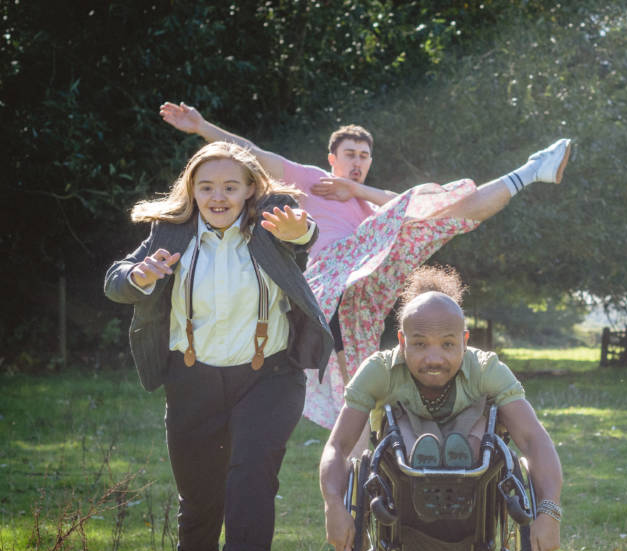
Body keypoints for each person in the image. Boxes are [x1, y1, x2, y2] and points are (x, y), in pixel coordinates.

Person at [158, 101, 572, 437]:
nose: (356, 162)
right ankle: (356, 459)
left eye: (363, 156)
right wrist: (202, 127)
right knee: (352, 378)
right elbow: (252, 153)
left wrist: (355, 190)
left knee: (449, 212)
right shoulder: (313, 180)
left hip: (365, 293)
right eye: (349, 156)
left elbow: (411, 205)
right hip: (331, 280)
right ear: (331, 158)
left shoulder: (377, 204)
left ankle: (530, 172)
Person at [104, 142, 334, 551]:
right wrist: (141, 276)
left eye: (231, 186)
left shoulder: (270, 221)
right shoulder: (170, 233)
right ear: (191, 190)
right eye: (206, 186)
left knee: (252, 469)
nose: (218, 196)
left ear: (250, 189)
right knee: (199, 491)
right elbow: (115, 281)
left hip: (269, 376)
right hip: (192, 380)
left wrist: (302, 228)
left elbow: (303, 234)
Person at [319, 266, 564, 551]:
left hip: (477, 483)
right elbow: (338, 446)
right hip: (401, 482)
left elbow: (532, 438)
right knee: (398, 417)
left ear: (464, 339)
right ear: (402, 339)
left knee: (486, 413)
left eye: (447, 344)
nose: (434, 359)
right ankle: (423, 449)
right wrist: (334, 506)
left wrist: (549, 511)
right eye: (420, 344)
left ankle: (462, 448)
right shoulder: (379, 370)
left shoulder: (486, 369)